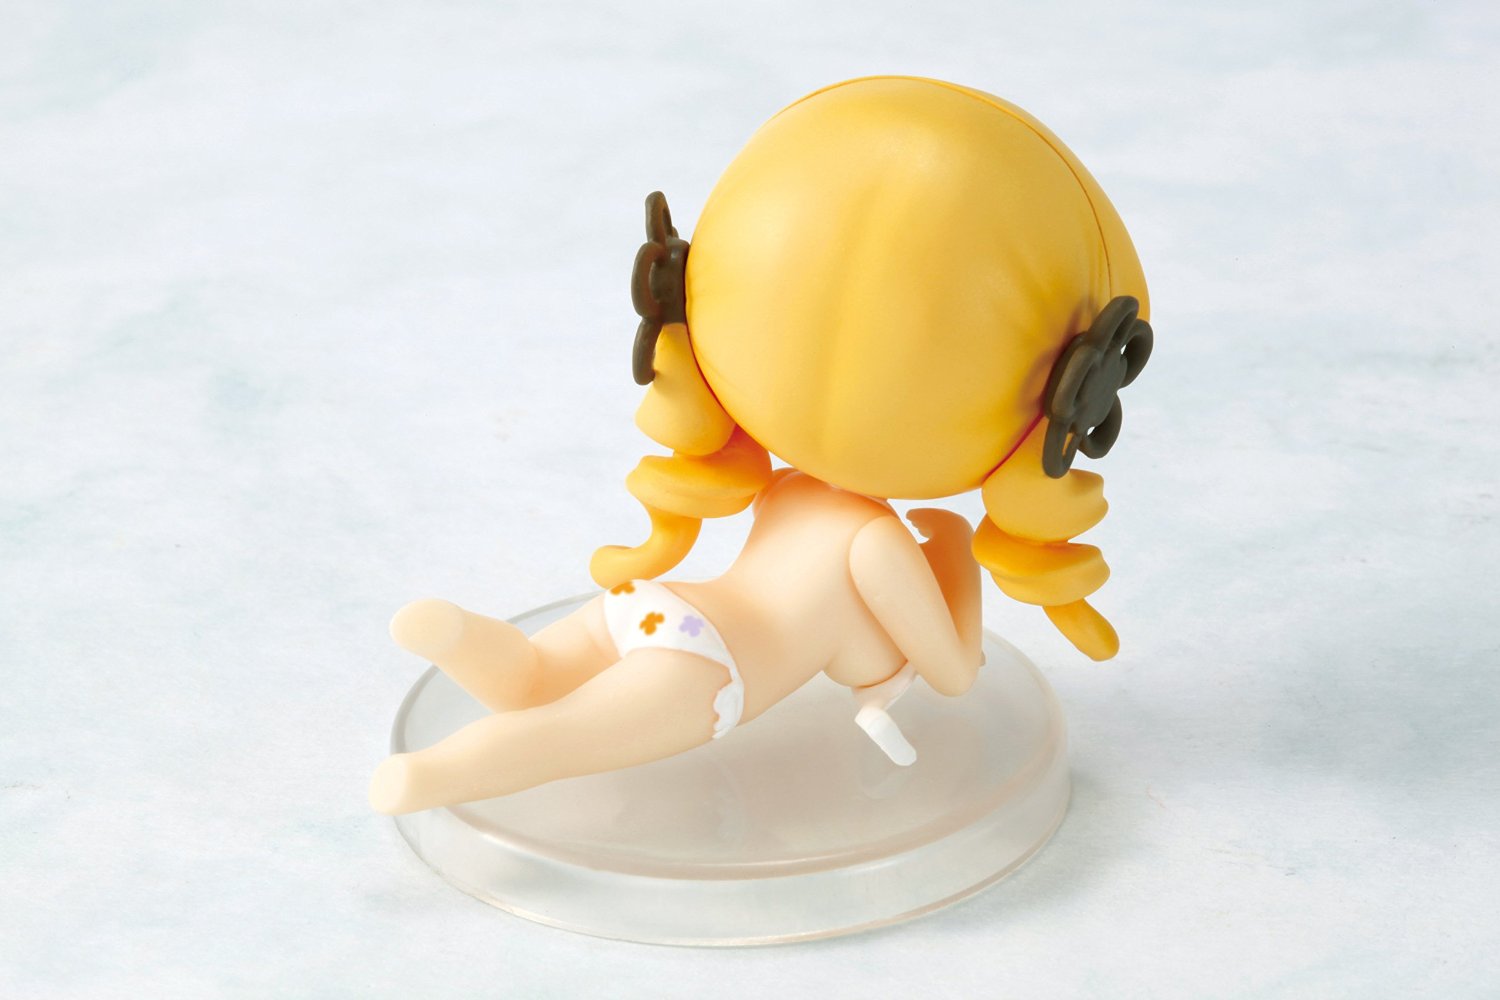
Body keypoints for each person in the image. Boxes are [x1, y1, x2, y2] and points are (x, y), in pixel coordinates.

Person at [370, 76, 1152, 815]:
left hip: (656, 607)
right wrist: (955, 558)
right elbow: (952, 672)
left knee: (534, 678)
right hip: (709, 668)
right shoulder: (878, 544)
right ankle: (432, 776)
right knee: (564, 738)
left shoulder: (786, 492)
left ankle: (455, 636)